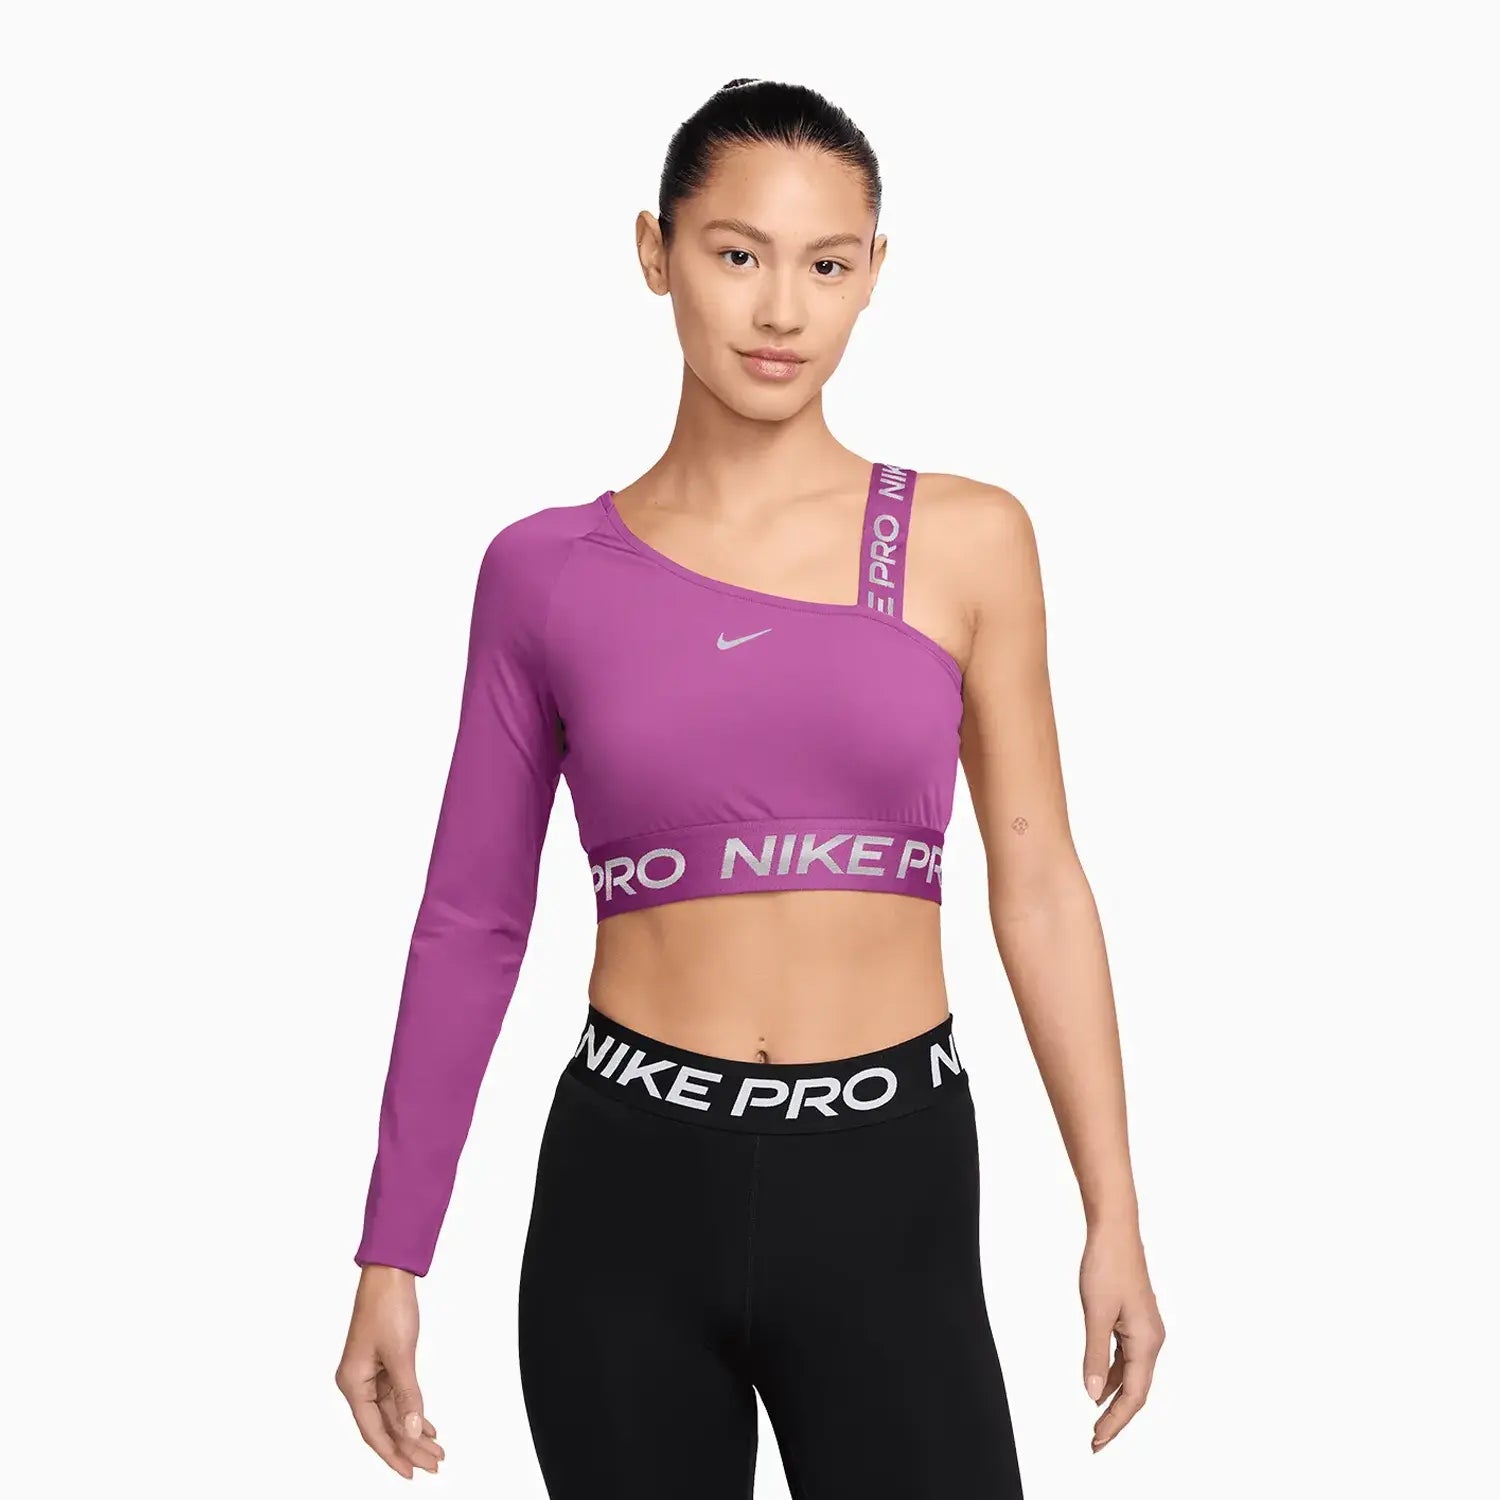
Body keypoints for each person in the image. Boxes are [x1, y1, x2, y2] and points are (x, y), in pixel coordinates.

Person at [334, 76, 1164, 1495]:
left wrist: (1114, 1211)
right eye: (737, 254)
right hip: (625, 1198)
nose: (782, 310)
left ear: (874, 273)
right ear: (654, 252)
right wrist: (391, 1253)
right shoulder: (542, 573)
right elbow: (471, 917)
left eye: (826, 265)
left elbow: (1037, 882)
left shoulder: (967, 539)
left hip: (889, 1179)